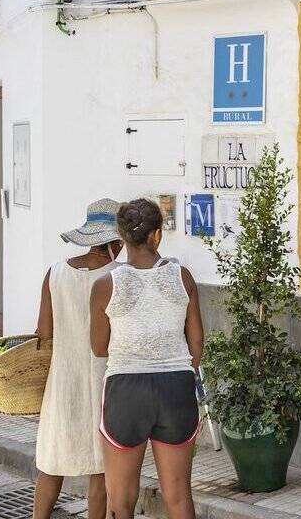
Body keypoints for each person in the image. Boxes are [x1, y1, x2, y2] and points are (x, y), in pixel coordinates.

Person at [90, 198, 204, 519]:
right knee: (179, 497)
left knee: (120, 503)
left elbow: (99, 348)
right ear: (157, 235)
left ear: (121, 236)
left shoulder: (104, 286)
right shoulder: (183, 277)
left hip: (125, 390)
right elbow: (196, 342)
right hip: (176, 388)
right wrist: (178, 370)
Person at [33, 198, 124, 519]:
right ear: (114, 241)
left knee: (51, 463)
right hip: (105, 383)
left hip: (61, 383)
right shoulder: (118, 276)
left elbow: (43, 331)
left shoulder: (55, 273)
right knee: (100, 469)